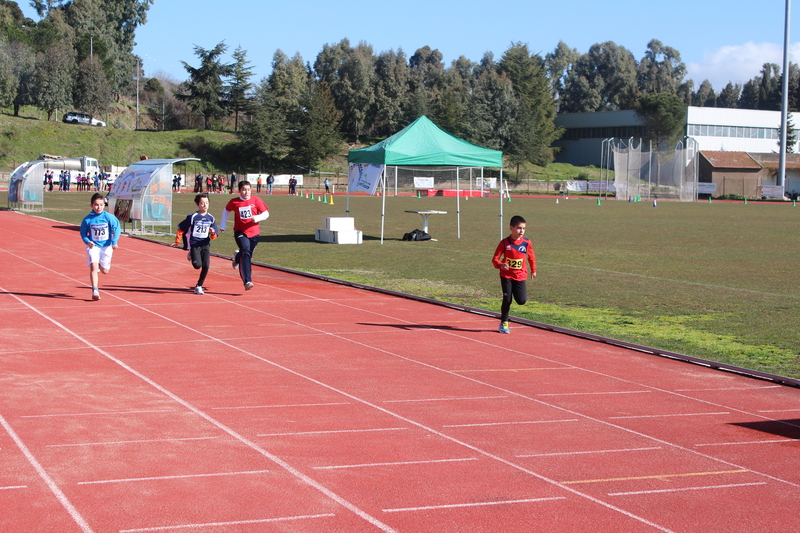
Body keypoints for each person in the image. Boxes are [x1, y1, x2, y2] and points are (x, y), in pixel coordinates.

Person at [220, 181, 269, 291]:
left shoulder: (256, 200)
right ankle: (247, 281)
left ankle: (237, 257)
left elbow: (266, 214)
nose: (246, 192)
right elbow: (226, 211)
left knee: (246, 255)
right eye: (243, 189)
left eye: (248, 189)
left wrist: (256, 218)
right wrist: (223, 225)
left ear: (251, 190)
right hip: (240, 232)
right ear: (239, 190)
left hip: (254, 233)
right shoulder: (234, 202)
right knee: (246, 252)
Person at [491, 215, 536, 334]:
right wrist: (501, 265)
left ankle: (506, 319)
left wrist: (533, 270)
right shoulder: (505, 243)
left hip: (520, 275)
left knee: (521, 300)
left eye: (523, 228)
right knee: (507, 298)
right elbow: (495, 259)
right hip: (506, 275)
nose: (521, 231)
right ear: (511, 228)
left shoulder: (527, 242)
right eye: (519, 228)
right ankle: (504, 322)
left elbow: (532, 257)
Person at [174, 193, 218, 295]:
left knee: (206, 265)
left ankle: (199, 286)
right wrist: (177, 241)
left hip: (205, 243)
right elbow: (181, 228)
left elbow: (214, 236)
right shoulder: (193, 217)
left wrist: (212, 232)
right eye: (202, 203)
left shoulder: (211, 218)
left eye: (206, 203)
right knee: (197, 265)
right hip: (195, 244)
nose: (205, 205)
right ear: (198, 204)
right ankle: (191, 254)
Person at [80, 193, 121, 301]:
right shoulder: (87, 219)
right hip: (93, 247)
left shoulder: (108, 217)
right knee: (93, 267)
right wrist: (87, 241)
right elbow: (83, 233)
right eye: (96, 205)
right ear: (91, 206)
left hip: (106, 247)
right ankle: (95, 290)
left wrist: (114, 242)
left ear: (104, 205)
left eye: (101, 205)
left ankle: (99, 264)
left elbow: (117, 228)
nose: (99, 207)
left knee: (105, 271)